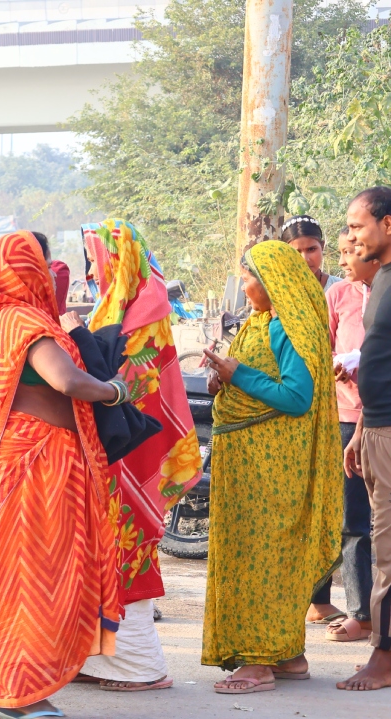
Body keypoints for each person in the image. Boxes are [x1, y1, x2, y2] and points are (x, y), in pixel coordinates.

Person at [0, 230, 125, 719]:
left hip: (9, 462)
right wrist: (115, 391)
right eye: (45, 265)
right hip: (41, 465)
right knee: (40, 577)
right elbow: (66, 381)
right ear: (33, 270)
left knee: (8, 575)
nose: (51, 275)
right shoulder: (29, 324)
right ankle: (22, 693)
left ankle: (2, 691)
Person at [198, 240, 342, 694]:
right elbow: (250, 379)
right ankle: (289, 656)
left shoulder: (289, 329)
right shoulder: (259, 322)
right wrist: (221, 378)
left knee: (261, 558)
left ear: (272, 281)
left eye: (247, 279)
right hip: (251, 470)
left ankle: (259, 663)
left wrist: (238, 374)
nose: (243, 288)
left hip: (272, 474)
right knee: (264, 556)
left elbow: (297, 398)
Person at [77, 219, 202, 692]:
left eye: (96, 259)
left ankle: (140, 666)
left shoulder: (144, 315)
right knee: (101, 551)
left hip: (132, 453)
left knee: (124, 549)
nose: (92, 270)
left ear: (119, 260)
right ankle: (100, 660)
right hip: (113, 452)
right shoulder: (117, 307)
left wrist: (79, 343)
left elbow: (130, 386)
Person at [310, 228, 375, 643]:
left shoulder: (383, 293)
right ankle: (360, 613)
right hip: (346, 417)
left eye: (353, 251)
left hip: (380, 416)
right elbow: (324, 349)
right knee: (353, 520)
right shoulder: (339, 295)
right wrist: (340, 363)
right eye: (342, 252)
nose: (344, 261)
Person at [339, 186, 391, 691]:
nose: (352, 238)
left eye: (357, 226)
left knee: (388, 551)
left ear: (387, 224)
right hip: (374, 427)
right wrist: (360, 430)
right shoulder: (381, 283)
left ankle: (384, 657)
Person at [282, 215, 342, 293]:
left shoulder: (342, 289)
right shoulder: (277, 291)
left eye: (311, 249)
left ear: (322, 246)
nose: (305, 259)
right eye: (296, 252)